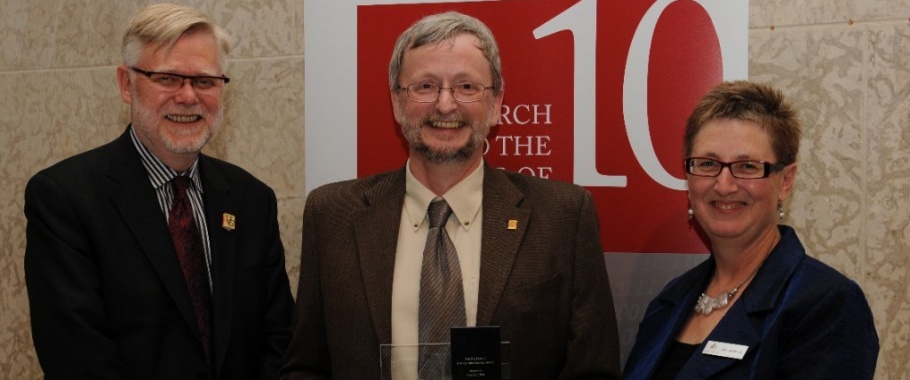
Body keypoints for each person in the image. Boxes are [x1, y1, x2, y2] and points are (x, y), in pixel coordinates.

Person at [281, 11, 620, 380]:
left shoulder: (564, 216)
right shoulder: (331, 215)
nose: (445, 105)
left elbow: (594, 371)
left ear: (496, 104)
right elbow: (306, 367)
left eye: (466, 87)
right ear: (397, 102)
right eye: (425, 86)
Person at [24, 4, 294, 379]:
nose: (187, 97)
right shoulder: (65, 199)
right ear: (125, 83)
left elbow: (279, 341)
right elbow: (77, 358)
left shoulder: (251, 199)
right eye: (167, 78)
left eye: (204, 81)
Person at [622, 81, 879, 379]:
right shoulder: (669, 302)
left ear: (785, 181)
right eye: (708, 163)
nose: (724, 185)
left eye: (747, 167)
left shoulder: (826, 304)